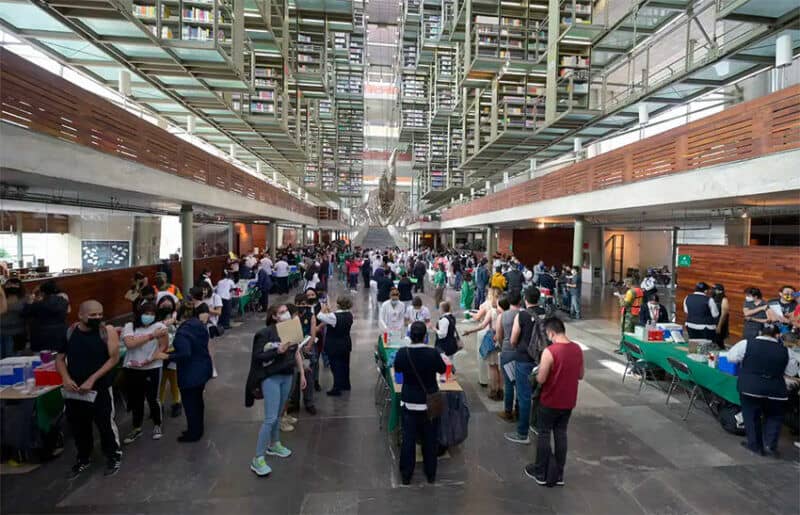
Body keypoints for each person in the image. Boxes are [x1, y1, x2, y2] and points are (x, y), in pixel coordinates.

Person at [56, 300, 122, 478]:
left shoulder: (106, 332)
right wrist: (66, 378)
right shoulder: (70, 333)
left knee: (105, 424)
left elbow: (113, 359)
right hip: (75, 390)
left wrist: (92, 379)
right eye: (92, 315)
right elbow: (60, 359)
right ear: (81, 315)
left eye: (100, 314)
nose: (97, 318)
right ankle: (83, 457)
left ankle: (113, 456)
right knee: (79, 426)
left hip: (99, 389)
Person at [246, 304, 304, 476]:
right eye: (281, 312)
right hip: (271, 377)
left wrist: (301, 372)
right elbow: (258, 356)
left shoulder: (291, 329)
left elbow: (295, 351)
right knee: (270, 418)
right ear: (273, 316)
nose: (285, 314)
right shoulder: (265, 334)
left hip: (287, 374)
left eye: (286, 311)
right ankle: (258, 457)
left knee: (279, 413)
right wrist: (277, 351)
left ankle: (275, 443)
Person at [525, 317, 584, 486]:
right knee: (561, 434)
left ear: (551, 332)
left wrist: (536, 373)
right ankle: (559, 475)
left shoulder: (550, 352)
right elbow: (581, 375)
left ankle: (541, 472)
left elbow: (542, 379)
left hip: (550, 400)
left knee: (544, 434)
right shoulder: (577, 349)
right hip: (568, 400)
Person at [726, 324, 799, 457]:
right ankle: (770, 445)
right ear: (777, 335)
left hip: (750, 387)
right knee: (774, 417)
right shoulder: (785, 350)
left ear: (760, 332)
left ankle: (754, 445)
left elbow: (731, 358)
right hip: (775, 389)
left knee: (751, 416)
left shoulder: (746, 343)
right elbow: (791, 371)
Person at [393, 321, 447, 485]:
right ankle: (430, 473)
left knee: (408, 440)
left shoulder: (403, 353)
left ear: (410, 336)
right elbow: (442, 370)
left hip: (409, 402)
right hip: (429, 403)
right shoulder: (432, 353)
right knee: (430, 440)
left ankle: (406, 475)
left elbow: (398, 370)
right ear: (425, 336)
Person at [121, 301, 169, 444]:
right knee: (136, 399)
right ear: (139, 313)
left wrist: (152, 358)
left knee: (153, 398)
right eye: (146, 313)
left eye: (152, 314)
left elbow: (164, 345)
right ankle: (136, 428)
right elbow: (130, 344)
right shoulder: (130, 326)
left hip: (152, 367)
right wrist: (152, 336)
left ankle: (157, 424)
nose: (149, 316)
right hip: (132, 367)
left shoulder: (160, 327)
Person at [170, 302, 213, 442]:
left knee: (190, 405)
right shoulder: (199, 325)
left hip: (190, 374)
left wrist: (168, 356)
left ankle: (193, 433)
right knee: (198, 402)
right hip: (203, 369)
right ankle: (198, 429)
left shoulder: (182, 332)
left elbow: (185, 353)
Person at [506, 287, 544, 445]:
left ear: (525, 299)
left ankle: (522, 432)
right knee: (540, 393)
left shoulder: (522, 315)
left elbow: (514, 339)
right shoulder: (546, 313)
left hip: (524, 358)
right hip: (543, 359)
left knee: (524, 395)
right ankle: (536, 425)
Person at [463, 288, 502, 399]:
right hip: (502, 341)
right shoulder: (504, 311)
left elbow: (482, 325)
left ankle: (494, 390)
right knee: (500, 369)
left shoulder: (492, 311)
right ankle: (501, 390)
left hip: (492, 339)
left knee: (493, 367)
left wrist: (469, 331)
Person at [317, 295, 354, 396]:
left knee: (335, 366)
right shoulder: (349, 314)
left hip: (334, 346)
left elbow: (319, 316)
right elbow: (332, 319)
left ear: (338, 304)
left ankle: (336, 388)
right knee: (345, 365)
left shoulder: (334, 317)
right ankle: (346, 385)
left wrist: (323, 309)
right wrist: (329, 312)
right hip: (346, 344)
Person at [496, 290, 521, 423]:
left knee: (509, 383)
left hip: (507, 351)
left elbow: (499, 335)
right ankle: (518, 409)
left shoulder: (503, 316)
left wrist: (502, 346)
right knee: (520, 383)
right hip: (521, 352)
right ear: (520, 301)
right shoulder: (523, 315)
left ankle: (507, 411)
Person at [22, 280, 69, 352]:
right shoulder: (64, 301)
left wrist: (29, 303)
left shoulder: (38, 305)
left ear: (42, 293)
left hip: (41, 338)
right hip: (61, 334)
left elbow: (24, 313)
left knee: (43, 360)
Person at [156, 295, 183, 418]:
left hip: (173, 351)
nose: (166, 306)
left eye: (169, 304)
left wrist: (175, 321)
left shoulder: (176, 316)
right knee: (160, 380)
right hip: (159, 352)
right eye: (163, 304)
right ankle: (159, 405)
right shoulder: (154, 317)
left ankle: (176, 403)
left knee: (174, 379)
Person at [615, 279, 643, 353]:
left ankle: (624, 349)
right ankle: (634, 349)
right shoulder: (639, 290)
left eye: (625, 283)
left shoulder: (630, 292)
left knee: (626, 332)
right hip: (636, 314)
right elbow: (635, 300)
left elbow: (624, 304)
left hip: (629, 314)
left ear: (629, 283)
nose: (624, 285)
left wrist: (620, 297)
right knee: (633, 332)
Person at [0, 279, 25, 358]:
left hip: (16, 334)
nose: (11, 286)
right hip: (1, 332)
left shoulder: (24, 298)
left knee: (12, 358)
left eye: (14, 284)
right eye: (9, 284)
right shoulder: (2, 298)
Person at [711, 283, 729, 349]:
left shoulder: (724, 300)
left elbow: (724, 314)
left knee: (719, 342)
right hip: (712, 323)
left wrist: (719, 325)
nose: (712, 291)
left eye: (714, 289)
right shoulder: (712, 298)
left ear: (720, 291)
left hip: (719, 323)